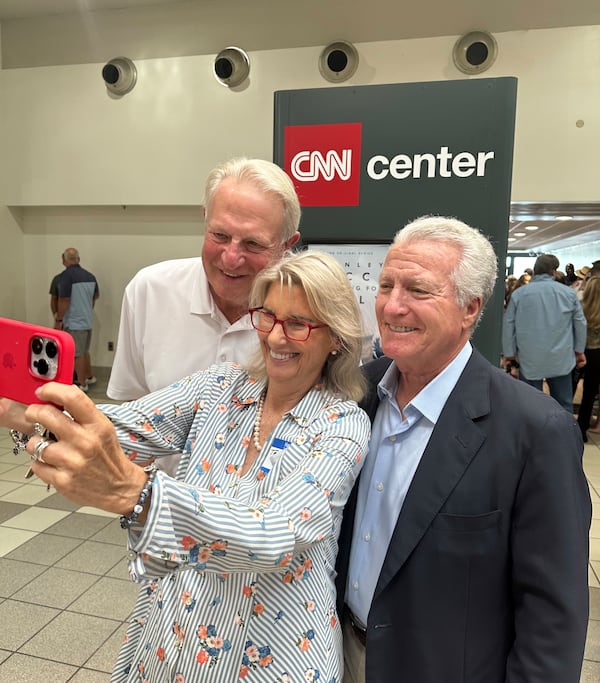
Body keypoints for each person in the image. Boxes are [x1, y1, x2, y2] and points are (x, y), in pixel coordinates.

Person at [1, 250, 371, 683]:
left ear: (337, 340)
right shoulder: (220, 386)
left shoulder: (342, 425)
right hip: (177, 636)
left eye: (298, 324)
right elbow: (116, 429)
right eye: (267, 316)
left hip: (274, 656)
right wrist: (18, 410)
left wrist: (137, 495)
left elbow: (274, 532)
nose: (274, 337)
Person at [335, 216, 591, 683]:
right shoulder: (356, 394)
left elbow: (553, 612)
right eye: (387, 284)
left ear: (469, 309)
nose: (392, 306)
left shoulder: (536, 430)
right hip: (341, 656)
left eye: (418, 290)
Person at [107, 157, 301, 400]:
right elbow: (130, 404)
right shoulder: (149, 291)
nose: (231, 258)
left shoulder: (310, 316)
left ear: (286, 246)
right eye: (219, 235)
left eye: (253, 244)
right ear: (205, 219)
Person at [502, 252, 587, 413]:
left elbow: (508, 325)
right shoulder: (568, 294)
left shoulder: (519, 295)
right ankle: (563, 436)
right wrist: (579, 351)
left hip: (529, 358)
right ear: (554, 272)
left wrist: (509, 353)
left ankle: (532, 437)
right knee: (563, 404)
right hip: (561, 358)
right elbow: (580, 324)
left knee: (529, 404)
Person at [56, 247, 99, 393]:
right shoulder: (90, 276)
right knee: (85, 351)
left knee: (77, 354)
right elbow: (94, 298)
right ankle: (89, 377)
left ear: (64, 260)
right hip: (87, 320)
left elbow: (64, 299)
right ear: (78, 259)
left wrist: (59, 319)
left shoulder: (66, 276)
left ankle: (81, 384)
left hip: (74, 323)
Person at [577, 275, 600, 441]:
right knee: (590, 393)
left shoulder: (580, 307)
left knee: (568, 389)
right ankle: (583, 428)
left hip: (579, 351)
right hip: (598, 354)